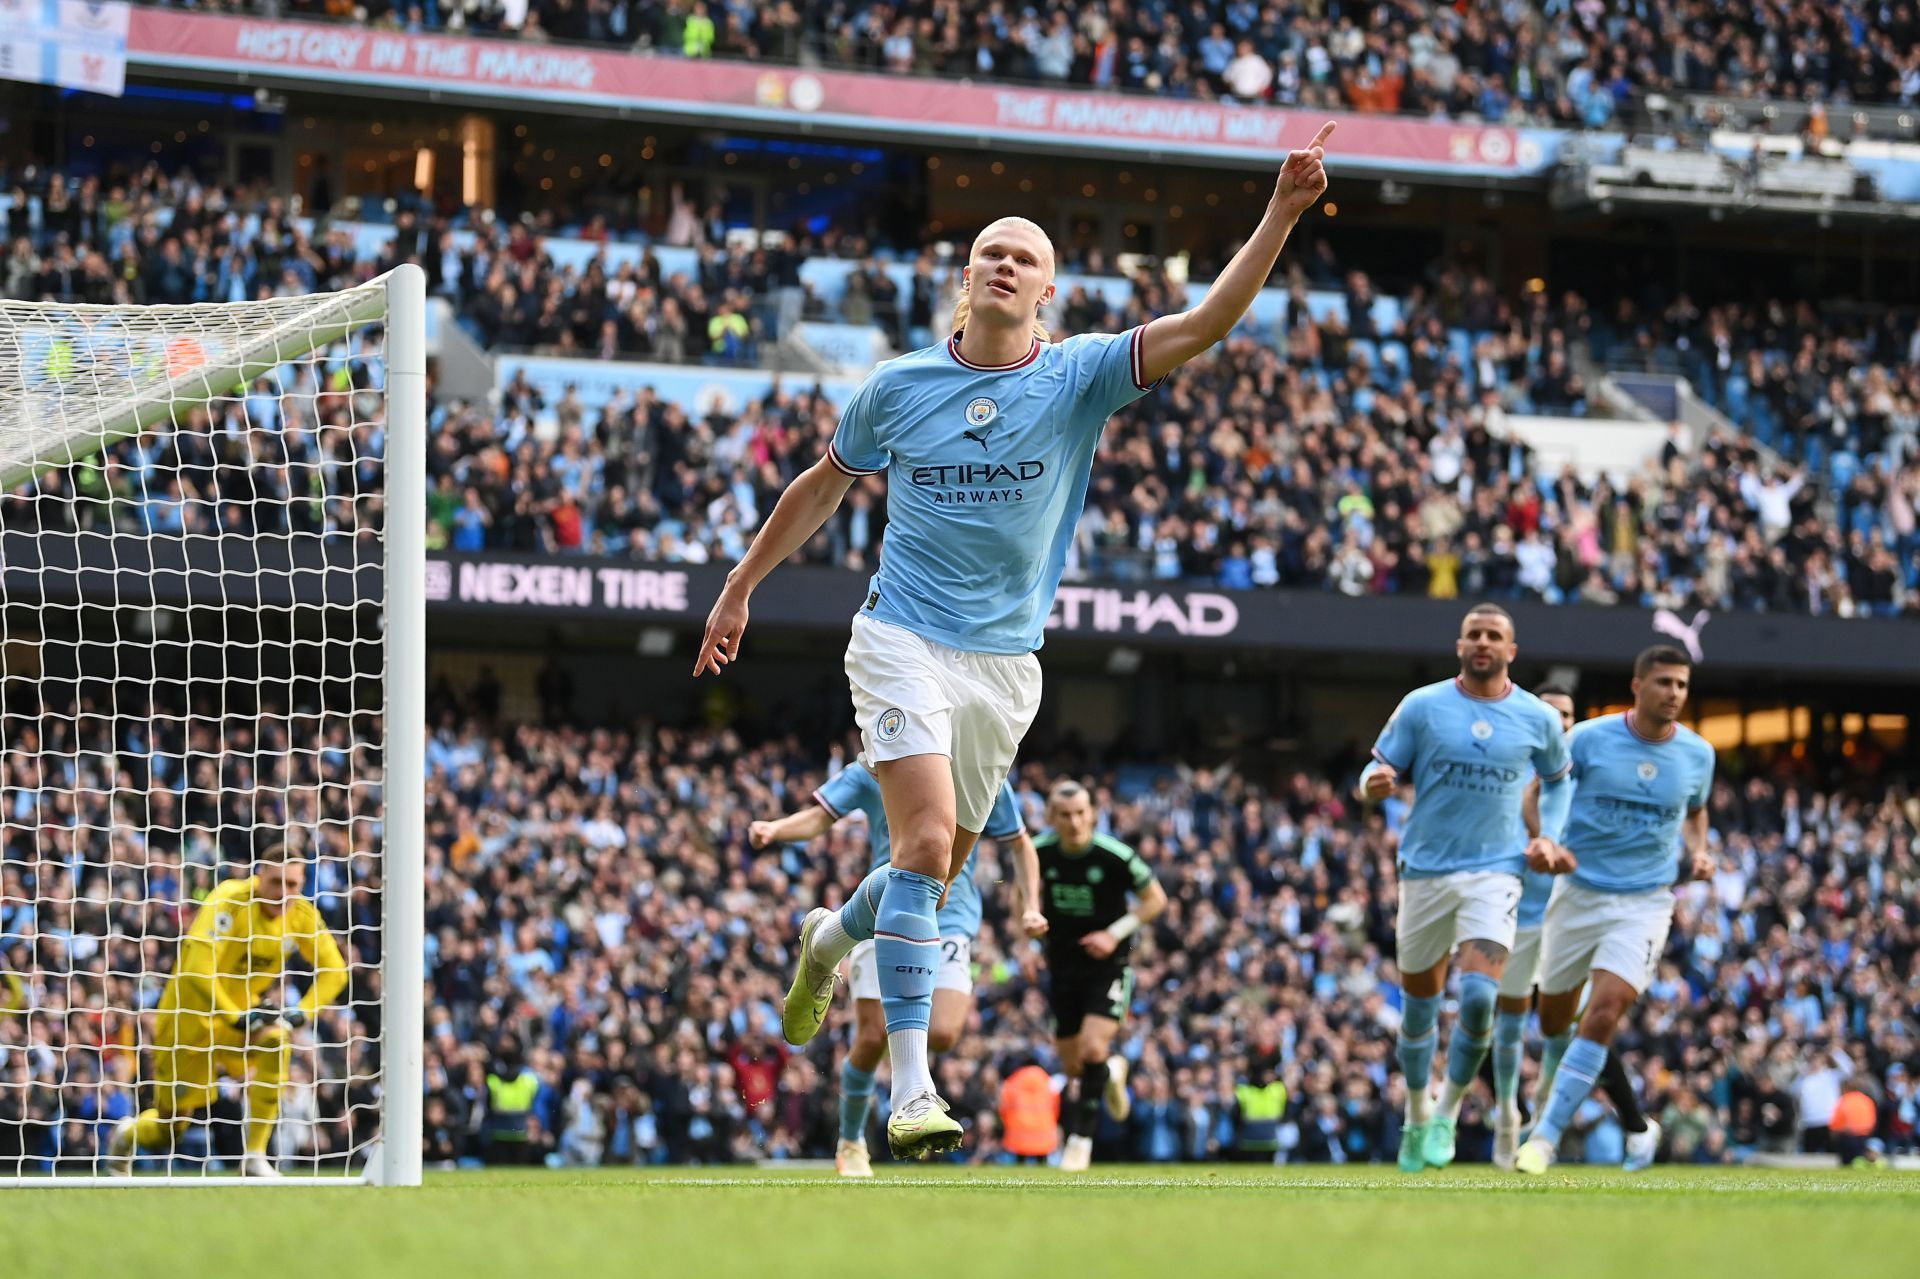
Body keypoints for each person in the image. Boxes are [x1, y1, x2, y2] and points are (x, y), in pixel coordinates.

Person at [693, 121, 1339, 1159]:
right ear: (967, 276)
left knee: (934, 869)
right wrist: (739, 587)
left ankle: (828, 937)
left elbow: (1211, 319)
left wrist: (1283, 209)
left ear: (1047, 291)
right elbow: (821, 485)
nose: (1005, 263)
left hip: (1005, 664)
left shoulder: (1082, 374)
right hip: (901, 632)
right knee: (921, 843)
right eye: (991, 249)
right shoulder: (897, 385)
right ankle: (911, 1093)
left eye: (1025, 256)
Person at [1357, 603, 1572, 1173]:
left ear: (1511, 651)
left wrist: (1547, 836)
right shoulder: (1423, 706)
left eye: (1494, 635)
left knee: (1479, 999)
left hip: (1496, 872)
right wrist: (1371, 785)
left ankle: (1448, 1110)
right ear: (1460, 645)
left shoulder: (1538, 718)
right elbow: (1376, 767)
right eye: (1474, 634)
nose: (1483, 642)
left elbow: (1557, 785)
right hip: (1425, 870)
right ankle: (1416, 1117)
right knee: (1419, 1014)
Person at [750, 761, 1042, 1176]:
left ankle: (830, 942)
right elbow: (820, 816)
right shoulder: (879, 763)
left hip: (953, 917)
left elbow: (1020, 842)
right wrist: (775, 829)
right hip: (888, 911)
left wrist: (1031, 906)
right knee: (870, 1039)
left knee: (942, 1033)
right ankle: (852, 1141)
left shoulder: (979, 765)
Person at [1516, 645, 1717, 1175]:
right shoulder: (1587, 738)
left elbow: (1696, 810)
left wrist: (1699, 850)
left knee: (1603, 1014)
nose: (1674, 693)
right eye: (1664, 683)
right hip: (1577, 895)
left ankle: (1545, 1136)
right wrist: (1547, 841)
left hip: (1645, 903)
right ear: (1637, 686)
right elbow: (1535, 795)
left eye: (1681, 685)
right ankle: (1636, 1127)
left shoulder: (1698, 754)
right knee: (1556, 1023)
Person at [107, 841, 348, 1177]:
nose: (282, 893)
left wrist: (303, 1011)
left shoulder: (301, 915)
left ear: (302, 883)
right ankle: (128, 1133)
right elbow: (197, 971)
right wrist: (233, 1015)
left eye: (292, 884)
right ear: (260, 876)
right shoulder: (229, 900)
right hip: (189, 1018)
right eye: (275, 882)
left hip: (241, 1019)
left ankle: (255, 1156)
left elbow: (336, 970)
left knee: (277, 1040)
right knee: (169, 1129)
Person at [1032, 780, 1168, 1171]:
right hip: (1061, 964)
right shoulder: (1038, 852)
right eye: (1064, 815)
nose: (1074, 822)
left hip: (1106, 966)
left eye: (1080, 813)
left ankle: (1080, 1141)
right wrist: (1028, 941)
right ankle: (1111, 1071)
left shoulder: (1115, 855)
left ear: (1092, 813)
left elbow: (1155, 900)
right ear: (1051, 818)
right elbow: (1019, 896)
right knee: (1076, 1065)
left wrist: (1115, 933)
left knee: (1093, 1047)